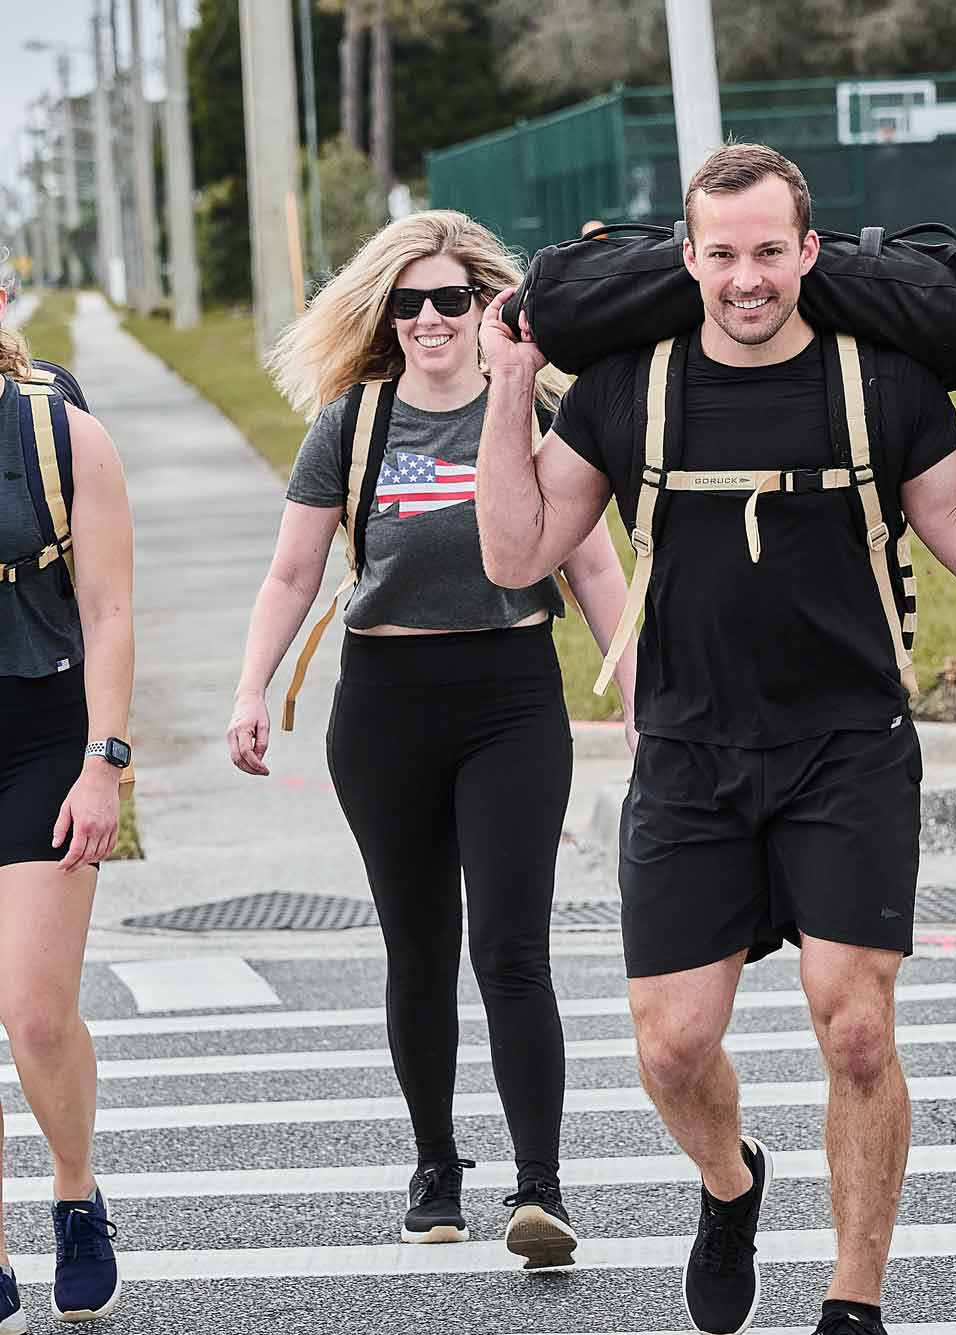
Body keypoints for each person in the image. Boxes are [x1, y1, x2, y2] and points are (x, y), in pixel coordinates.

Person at [475, 143, 956, 1335]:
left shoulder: (881, 380)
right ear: (688, 261)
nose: (748, 279)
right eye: (722, 254)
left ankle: (853, 1307)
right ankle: (732, 1186)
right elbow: (519, 551)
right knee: (675, 1048)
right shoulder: (628, 389)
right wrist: (512, 386)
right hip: (687, 753)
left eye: (770, 252)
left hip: (849, 747)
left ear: (812, 252)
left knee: (856, 1028)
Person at [228, 210, 636, 1268]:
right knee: (418, 949)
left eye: (449, 299)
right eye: (406, 303)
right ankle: (435, 1165)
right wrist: (251, 690)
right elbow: (291, 573)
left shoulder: (539, 409)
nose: (427, 320)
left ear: (485, 307)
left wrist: (641, 693)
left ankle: (538, 1186)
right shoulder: (352, 426)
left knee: (511, 946)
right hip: (385, 705)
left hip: (510, 697)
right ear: (385, 314)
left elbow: (593, 569)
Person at [0, 265, 135, 1335]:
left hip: (44, 736)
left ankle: (77, 1193)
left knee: (36, 1012)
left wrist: (107, 761)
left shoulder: (58, 432)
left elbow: (111, 606)